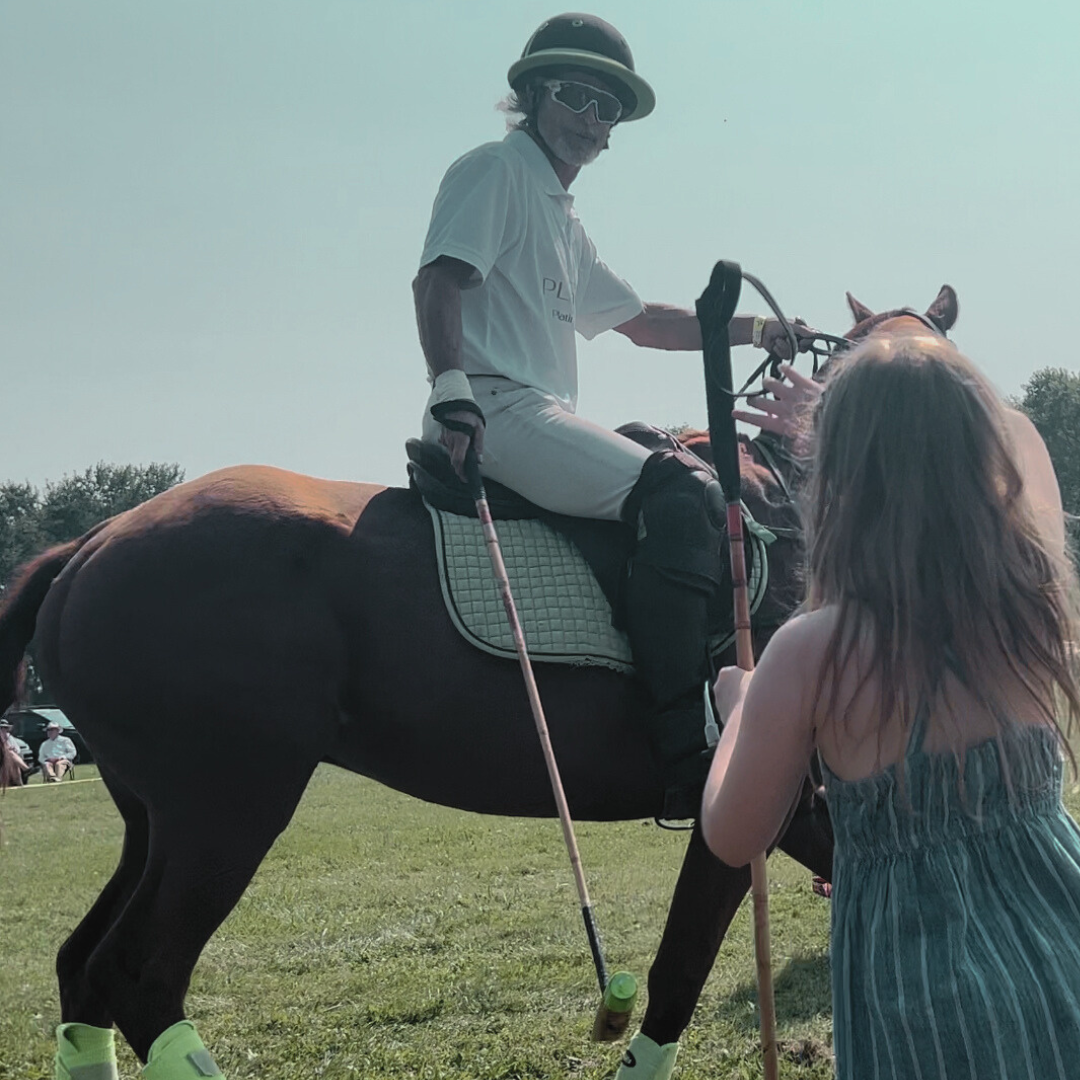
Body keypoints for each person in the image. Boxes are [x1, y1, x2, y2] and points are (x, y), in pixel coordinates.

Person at [414, 13, 812, 818]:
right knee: (683, 492)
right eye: (574, 97)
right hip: (494, 405)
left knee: (671, 472)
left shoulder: (562, 215)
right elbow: (437, 283)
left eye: (607, 109)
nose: (591, 121)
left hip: (532, 410)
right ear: (531, 94)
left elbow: (643, 323)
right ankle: (681, 743)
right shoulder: (495, 171)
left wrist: (753, 330)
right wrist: (449, 388)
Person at [701, 331, 1080, 1079]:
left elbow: (733, 835)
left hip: (928, 1010)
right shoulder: (1032, 615)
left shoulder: (811, 651)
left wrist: (738, 709)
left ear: (836, 482)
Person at [0, 718, 32, 786]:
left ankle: (20, 784)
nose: (3, 730)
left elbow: (18, 750)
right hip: (2, 761)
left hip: (8, 760)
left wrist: (14, 749)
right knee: (10, 753)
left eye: (5, 728)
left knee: (14, 764)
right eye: (1, 728)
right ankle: (26, 769)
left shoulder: (10, 738)